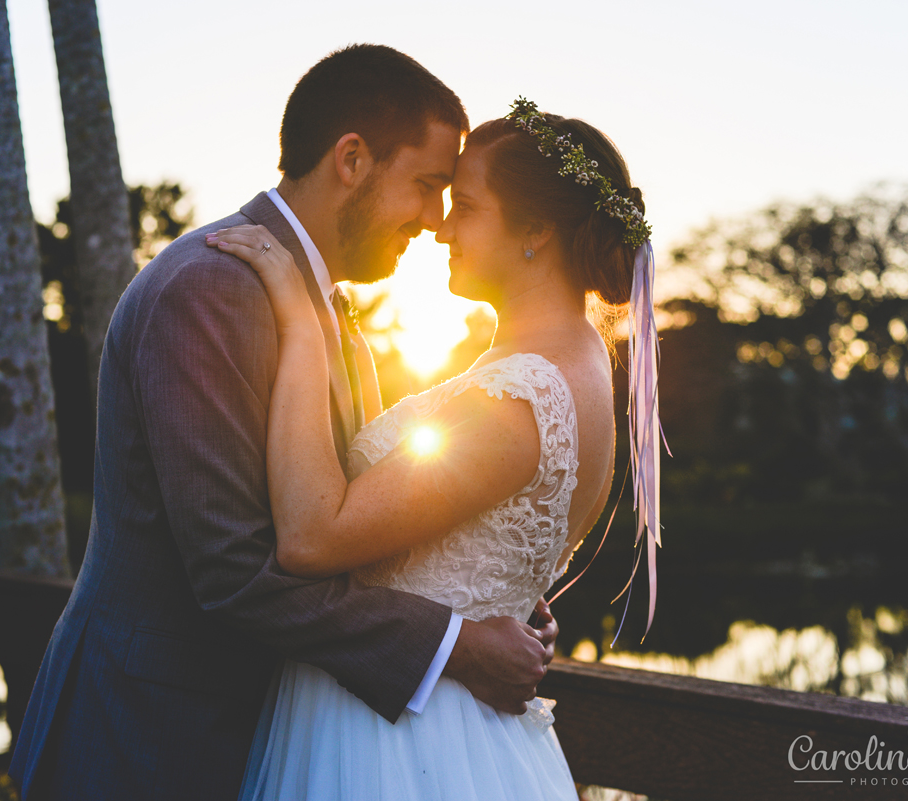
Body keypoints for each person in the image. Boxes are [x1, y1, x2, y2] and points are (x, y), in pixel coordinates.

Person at [8, 45, 558, 801]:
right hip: (149, 739)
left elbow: (346, 513)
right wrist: (455, 643)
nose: (435, 220)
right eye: (428, 185)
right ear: (353, 159)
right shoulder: (213, 290)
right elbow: (236, 572)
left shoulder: (318, 303)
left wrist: (489, 596)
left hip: (250, 732)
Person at [208, 97, 660, 799]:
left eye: (468, 205)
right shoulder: (578, 359)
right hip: (441, 714)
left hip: (401, 733)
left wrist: (298, 324)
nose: (441, 226)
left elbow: (311, 537)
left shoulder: (521, 397)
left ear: (534, 230)